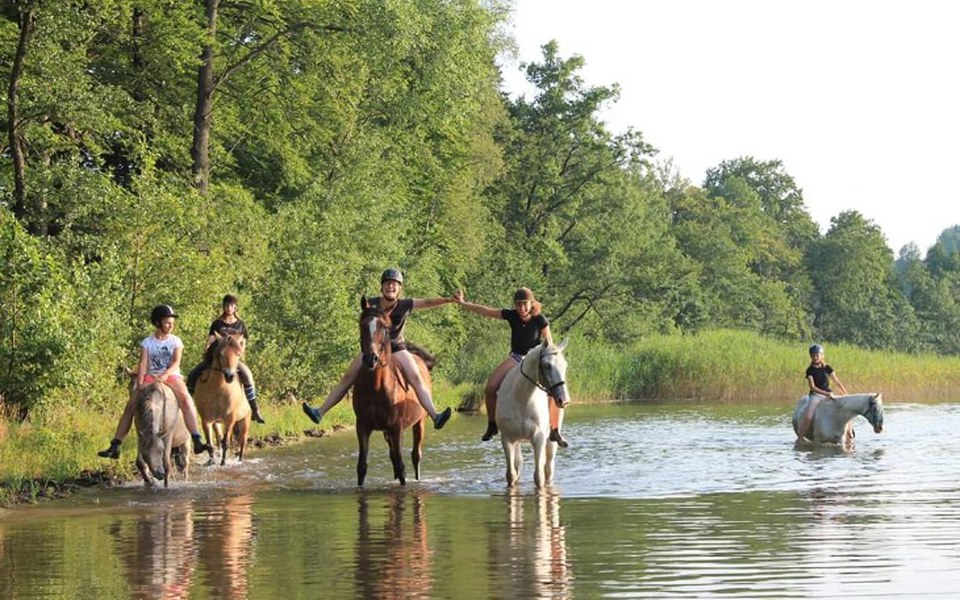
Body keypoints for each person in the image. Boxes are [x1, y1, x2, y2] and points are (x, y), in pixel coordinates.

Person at [301, 268, 454, 429]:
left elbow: (428, 302)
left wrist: (449, 300)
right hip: (374, 349)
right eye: (387, 284)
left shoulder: (405, 304)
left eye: (394, 285)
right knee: (347, 378)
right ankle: (320, 412)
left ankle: (434, 415)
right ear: (381, 287)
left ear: (399, 289)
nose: (390, 287)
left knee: (416, 377)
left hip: (397, 348)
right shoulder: (372, 303)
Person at [453, 287, 569, 447]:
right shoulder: (512, 315)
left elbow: (549, 345)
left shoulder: (540, 320)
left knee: (552, 390)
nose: (522, 308)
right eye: (519, 305)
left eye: (525, 304)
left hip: (533, 360)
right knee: (491, 386)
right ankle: (492, 424)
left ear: (532, 304)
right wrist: (463, 304)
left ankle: (555, 430)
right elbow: (486, 311)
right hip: (516, 357)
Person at [98, 305, 212, 459]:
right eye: (167, 323)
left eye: (172, 323)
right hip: (151, 376)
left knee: (186, 399)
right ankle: (115, 444)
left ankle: (197, 438)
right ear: (158, 323)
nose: (171, 325)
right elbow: (143, 363)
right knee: (131, 405)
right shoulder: (147, 343)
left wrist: (165, 376)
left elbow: (176, 363)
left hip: (171, 376)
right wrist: (140, 382)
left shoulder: (175, 341)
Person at [186, 294, 265, 424]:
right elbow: (212, 338)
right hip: (217, 358)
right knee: (193, 374)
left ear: (235, 307)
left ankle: (255, 409)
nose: (229, 308)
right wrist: (207, 346)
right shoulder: (217, 323)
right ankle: (187, 404)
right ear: (223, 307)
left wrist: (240, 352)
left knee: (248, 376)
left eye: (231, 306)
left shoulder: (240, 324)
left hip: (233, 359)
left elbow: (243, 342)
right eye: (226, 305)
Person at [796, 343, 849, 443]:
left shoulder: (827, 368)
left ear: (822, 355)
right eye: (813, 355)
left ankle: (850, 434)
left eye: (817, 355)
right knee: (808, 416)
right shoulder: (810, 370)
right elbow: (813, 387)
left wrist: (845, 393)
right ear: (810, 356)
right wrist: (825, 394)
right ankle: (800, 437)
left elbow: (837, 382)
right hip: (816, 395)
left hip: (829, 394)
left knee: (846, 409)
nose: (815, 357)